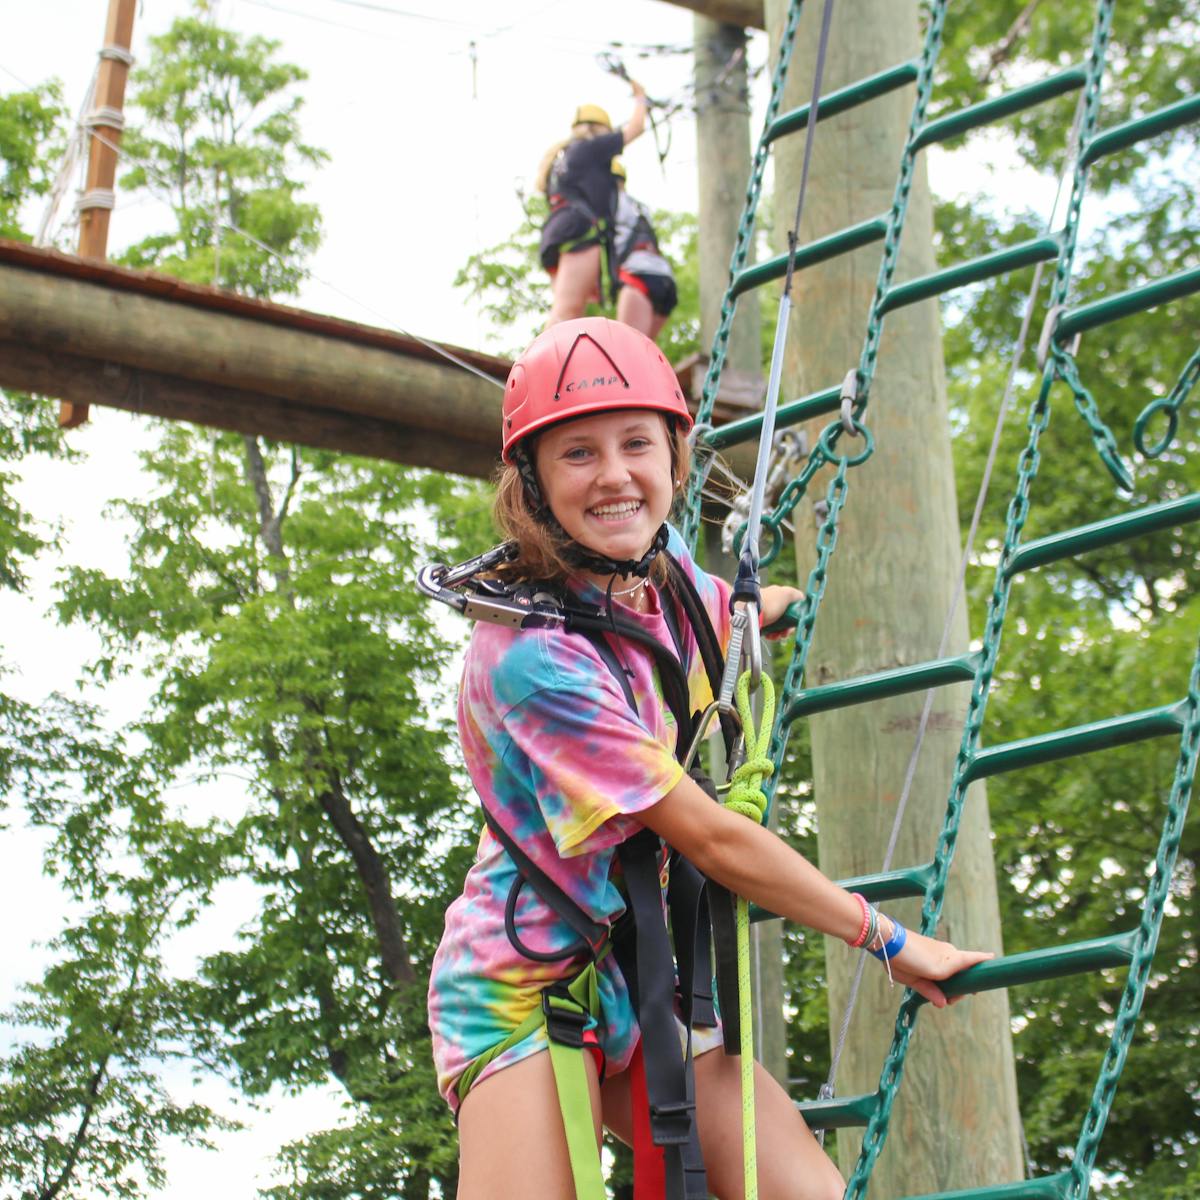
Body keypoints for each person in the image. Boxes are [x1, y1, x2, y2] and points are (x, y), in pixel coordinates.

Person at [426, 317, 992, 1200]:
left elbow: (701, 607)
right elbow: (714, 839)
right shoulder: (533, 662)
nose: (615, 476)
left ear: (675, 456)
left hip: (639, 971)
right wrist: (889, 941)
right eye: (577, 453)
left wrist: (761, 607)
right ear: (532, 482)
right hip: (522, 987)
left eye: (636, 444)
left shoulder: (663, 570)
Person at [536, 86, 647, 328]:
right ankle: (545, 354)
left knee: (566, 314)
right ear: (600, 129)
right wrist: (641, 98)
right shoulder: (590, 148)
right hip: (579, 231)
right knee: (566, 314)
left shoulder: (562, 157)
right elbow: (636, 128)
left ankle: (556, 352)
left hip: (556, 233)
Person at [611, 159, 678, 343]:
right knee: (645, 352)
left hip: (637, 274)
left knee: (626, 351)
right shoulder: (639, 207)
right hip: (664, 276)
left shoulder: (608, 203)